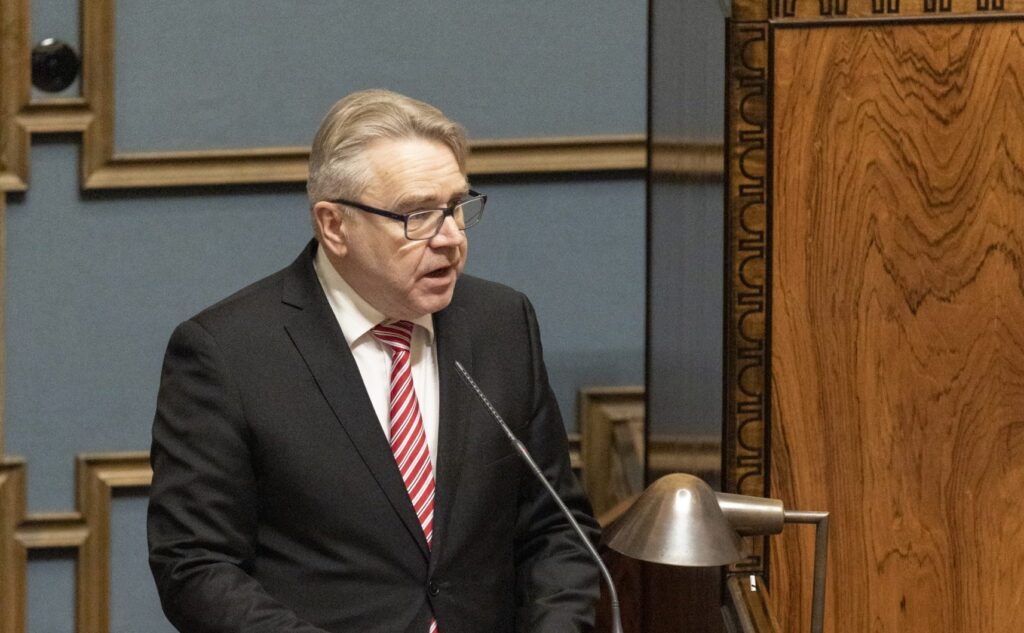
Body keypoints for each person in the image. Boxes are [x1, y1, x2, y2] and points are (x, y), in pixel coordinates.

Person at [147, 89, 600, 633]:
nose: (451, 238)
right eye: (418, 215)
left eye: (457, 207)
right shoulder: (228, 353)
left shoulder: (501, 324)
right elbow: (196, 566)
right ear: (334, 226)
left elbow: (556, 528)